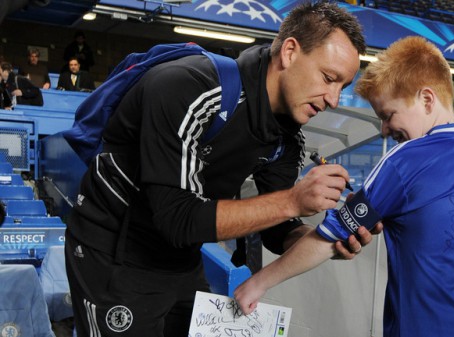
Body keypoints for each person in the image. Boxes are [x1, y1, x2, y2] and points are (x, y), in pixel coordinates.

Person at [65, 2, 379, 337]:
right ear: (289, 51)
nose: (333, 99)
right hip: (114, 255)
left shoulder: (287, 138)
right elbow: (178, 219)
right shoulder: (185, 85)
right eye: (329, 78)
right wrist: (293, 200)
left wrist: (323, 240)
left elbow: (277, 227)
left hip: (181, 261)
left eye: (341, 87)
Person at [234, 36, 454, 337]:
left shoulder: (407, 158)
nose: (385, 131)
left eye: (388, 116)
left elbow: (328, 238)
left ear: (427, 100)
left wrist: (258, 284)